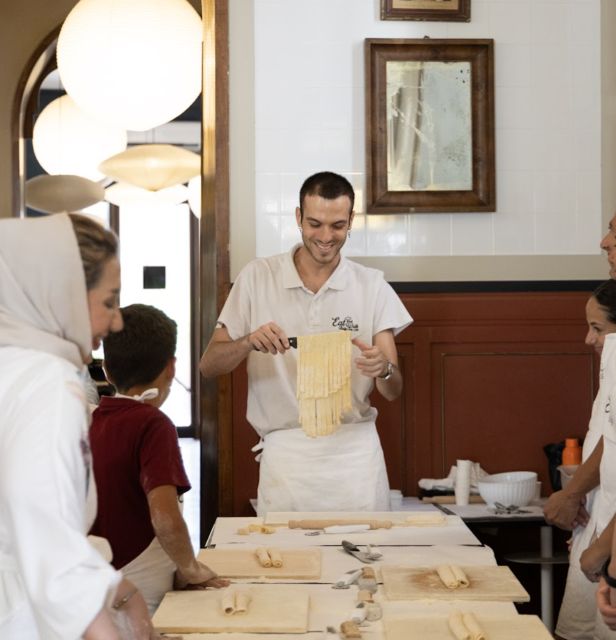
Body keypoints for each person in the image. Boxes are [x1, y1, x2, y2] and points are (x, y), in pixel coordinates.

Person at [199, 171, 412, 515]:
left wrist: (384, 369)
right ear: (298, 217)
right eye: (315, 224)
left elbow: (392, 390)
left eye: (338, 226)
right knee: (288, 564)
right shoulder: (257, 277)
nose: (326, 237)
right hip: (287, 454)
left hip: (355, 455)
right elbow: (208, 365)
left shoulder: (371, 285)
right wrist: (247, 342)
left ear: (351, 221)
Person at [0, 213, 159, 639]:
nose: (117, 322)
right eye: (109, 302)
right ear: (64, 294)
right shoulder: (49, 381)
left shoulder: (11, 363)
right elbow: (42, 526)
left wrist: (118, 588)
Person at [90, 303, 228, 615]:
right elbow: (164, 516)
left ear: (107, 370)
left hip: (96, 585)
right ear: (171, 368)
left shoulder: (92, 420)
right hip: (143, 592)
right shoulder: (153, 424)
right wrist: (190, 568)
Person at [545, 280, 616, 640]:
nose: (589, 339)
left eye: (597, 329)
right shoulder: (610, 364)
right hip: (598, 520)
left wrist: (603, 544)